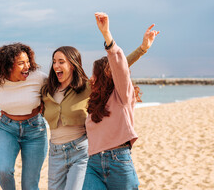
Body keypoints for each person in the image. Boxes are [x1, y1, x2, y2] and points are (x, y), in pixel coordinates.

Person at [41, 16, 159, 190]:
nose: (92, 78)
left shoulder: (113, 95)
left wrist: (136, 48)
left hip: (105, 157)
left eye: (61, 62)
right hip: (86, 158)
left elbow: (119, 68)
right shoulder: (50, 91)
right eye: (54, 62)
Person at [82, 12, 159, 189]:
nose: (91, 78)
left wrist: (107, 35)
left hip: (118, 161)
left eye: (95, 74)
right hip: (93, 163)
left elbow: (120, 68)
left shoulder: (123, 96)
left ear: (105, 76)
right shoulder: (95, 103)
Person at [0, 43, 48, 190]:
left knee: (29, 185)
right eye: (21, 63)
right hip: (6, 129)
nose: (27, 66)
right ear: (8, 65)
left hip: (35, 131)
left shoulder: (39, 78)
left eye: (27, 61)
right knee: (3, 171)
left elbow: (58, 92)